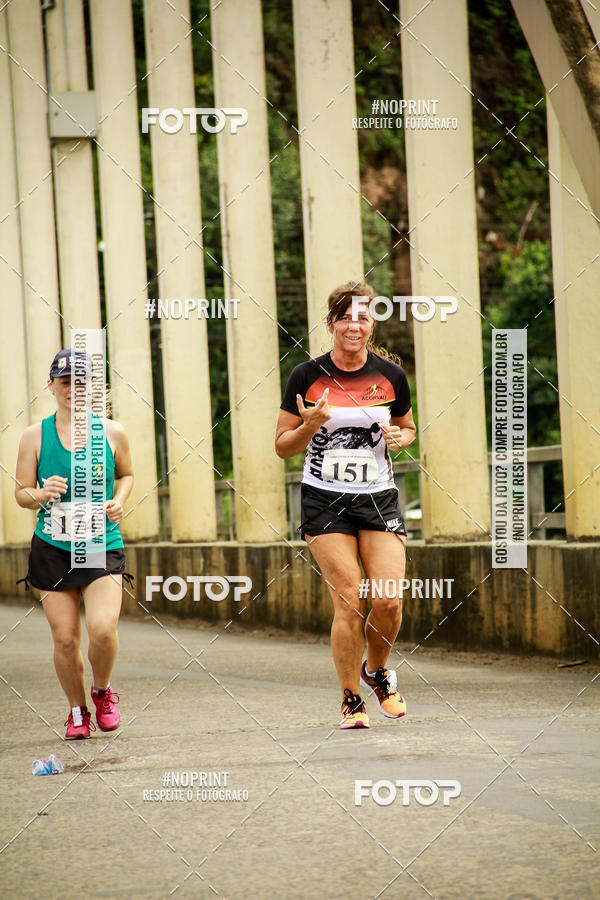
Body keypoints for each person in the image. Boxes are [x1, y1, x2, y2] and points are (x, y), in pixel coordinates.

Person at [275, 282, 416, 729]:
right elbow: (282, 446)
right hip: (324, 499)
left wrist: (400, 438)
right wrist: (310, 424)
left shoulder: (390, 376)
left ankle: (375, 672)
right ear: (332, 322)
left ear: (371, 323)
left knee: (389, 600)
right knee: (351, 599)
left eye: (363, 317)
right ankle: (350, 699)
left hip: (377, 497)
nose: (354, 325)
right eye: (346, 317)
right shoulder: (306, 375)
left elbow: (407, 427)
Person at [15, 349, 133, 740]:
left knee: (102, 629)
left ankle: (102, 691)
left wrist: (119, 500)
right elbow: (20, 493)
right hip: (52, 547)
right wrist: (41, 492)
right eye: (66, 382)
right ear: (52, 386)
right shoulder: (34, 436)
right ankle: (76, 710)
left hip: (100, 544)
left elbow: (127, 474)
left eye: (82, 383)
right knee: (65, 638)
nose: (74, 390)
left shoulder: (113, 432)